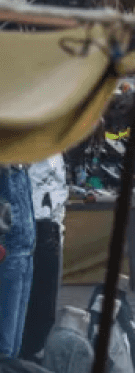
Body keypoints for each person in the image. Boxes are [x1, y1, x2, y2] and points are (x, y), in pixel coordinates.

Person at [20, 154, 68, 361]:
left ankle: (29, 361)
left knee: (41, 311)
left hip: (48, 220)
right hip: (34, 221)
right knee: (33, 312)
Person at [0, 165, 35, 359]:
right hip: (9, 252)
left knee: (14, 345)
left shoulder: (21, 169)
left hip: (26, 250)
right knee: (4, 345)